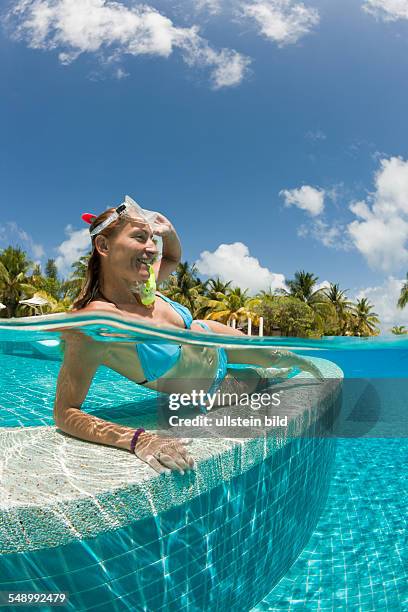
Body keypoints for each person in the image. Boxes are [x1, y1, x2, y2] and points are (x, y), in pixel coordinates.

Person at [54, 198, 322, 475]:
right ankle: (287, 372)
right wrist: (138, 439)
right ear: (104, 246)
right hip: (213, 387)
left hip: (211, 335)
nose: (150, 248)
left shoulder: (145, 286)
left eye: (151, 239)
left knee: (278, 356)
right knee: (264, 380)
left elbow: (172, 256)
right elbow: (65, 413)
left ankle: (307, 367)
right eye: (138, 237)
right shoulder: (97, 322)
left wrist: (169, 233)